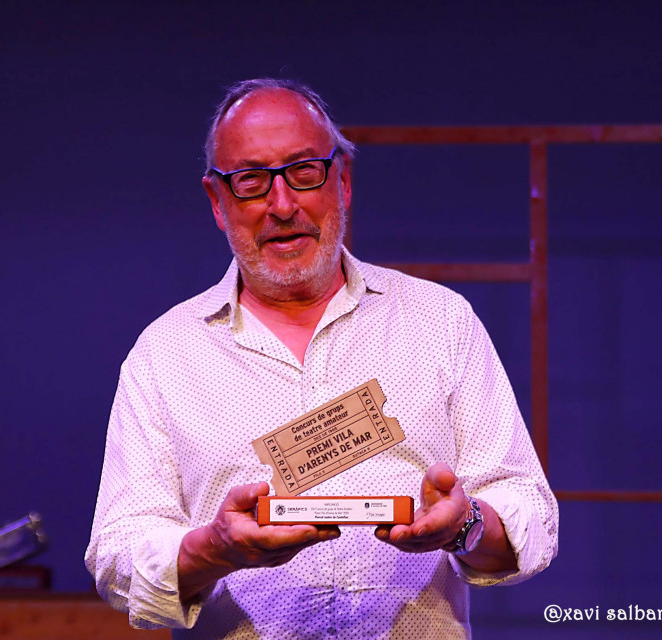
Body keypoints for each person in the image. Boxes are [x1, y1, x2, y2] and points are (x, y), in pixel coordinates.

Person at [85, 78, 558, 639]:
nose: (283, 205)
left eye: (305, 172)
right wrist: (213, 549)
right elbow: (117, 555)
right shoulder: (164, 354)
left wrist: (466, 525)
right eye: (251, 181)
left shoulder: (440, 321)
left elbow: (529, 511)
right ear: (217, 201)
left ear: (343, 181)